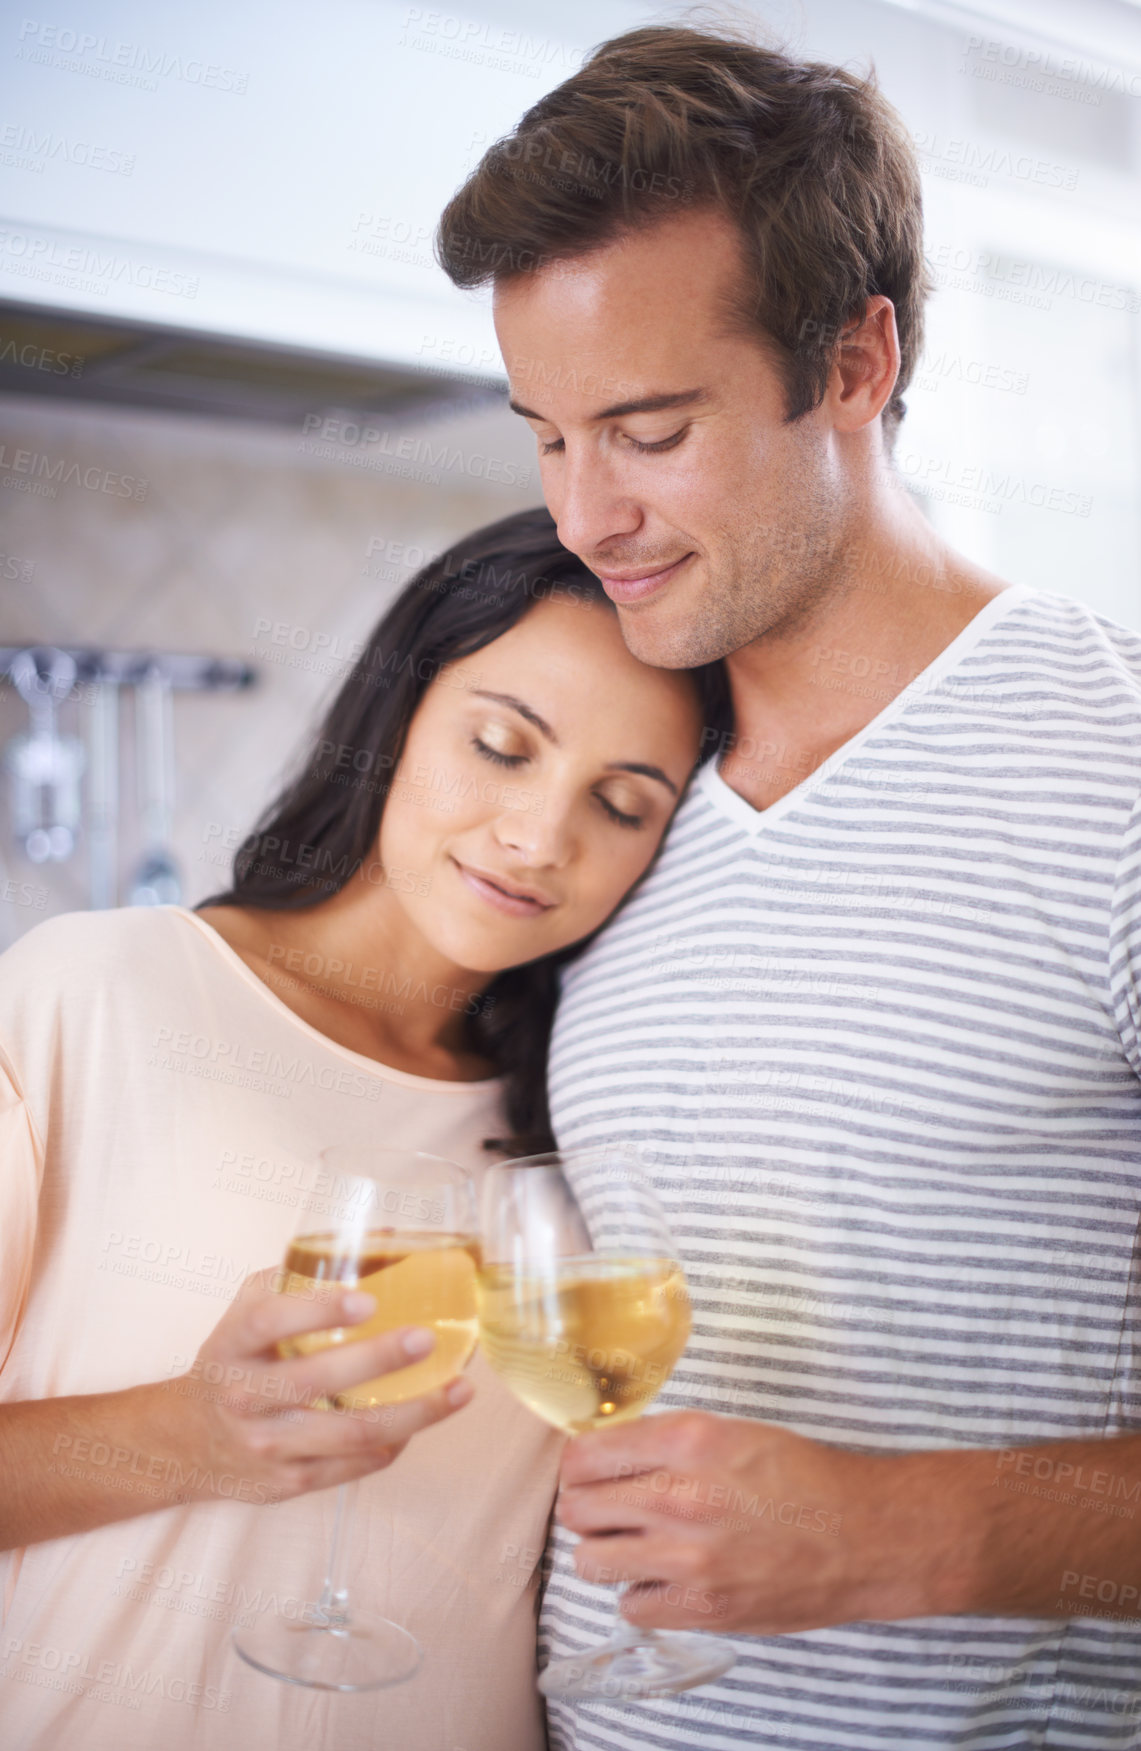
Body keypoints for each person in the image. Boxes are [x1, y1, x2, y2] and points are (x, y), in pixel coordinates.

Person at [436, 23, 1141, 1750]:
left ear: (851, 360)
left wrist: (914, 1529)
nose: (586, 513)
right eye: (545, 436)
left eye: (648, 430)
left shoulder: (1112, 768)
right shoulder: (615, 799)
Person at [0, 505, 728, 1751]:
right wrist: (183, 1438)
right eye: (502, 745)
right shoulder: (98, 992)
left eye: (621, 803)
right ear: (397, 716)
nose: (538, 835)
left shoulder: (571, 1113)